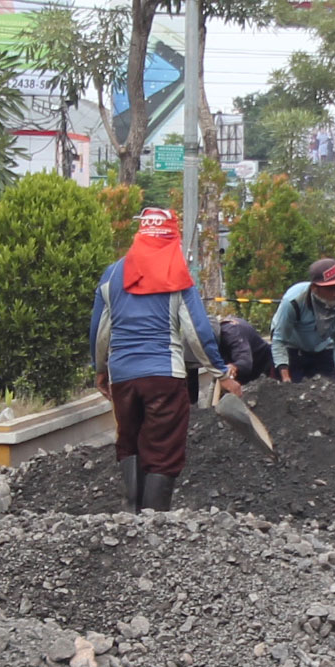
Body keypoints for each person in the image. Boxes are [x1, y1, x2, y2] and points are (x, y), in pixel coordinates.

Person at [90, 207, 240, 512]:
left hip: (122, 377)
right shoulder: (177, 274)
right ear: (172, 235)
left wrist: (101, 369)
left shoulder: (113, 273)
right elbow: (197, 331)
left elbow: (100, 330)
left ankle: (131, 511)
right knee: (162, 447)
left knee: (129, 438)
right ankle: (154, 520)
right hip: (163, 375)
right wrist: (220, 372)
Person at [269, 259, 335, 383]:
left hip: (323, 347)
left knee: (328, 391)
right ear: (315, 288)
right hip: (292, 347)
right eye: (331, 289)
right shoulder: (293, 302)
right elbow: (279, 340)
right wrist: (285, 377)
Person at [216, 315, 274, 385]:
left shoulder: (232, 333)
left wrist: (232, 367)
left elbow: (245, 361)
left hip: (264, 366)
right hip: (246, 372)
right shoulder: (216, 336)